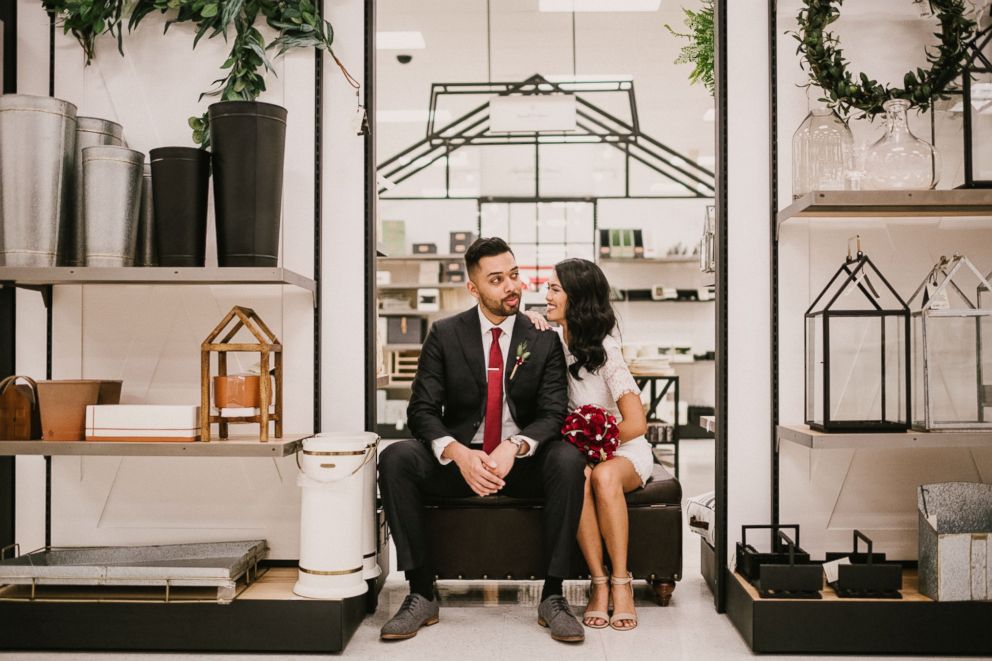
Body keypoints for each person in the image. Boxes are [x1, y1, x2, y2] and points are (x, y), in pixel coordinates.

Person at [377, 237, 588, 643]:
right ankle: (421, 592)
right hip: (461, 465)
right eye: (497, 279)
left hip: (520, 463)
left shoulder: (543, 338)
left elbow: (553, 412)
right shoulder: (444, 334)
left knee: (567, 459)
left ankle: (554, 595)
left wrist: (516, 446)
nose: (511, 286)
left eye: (513, 275)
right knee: (396, 458)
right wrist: (458, 454)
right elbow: (420, 411)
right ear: (473, 288)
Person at [526, 258, 650, 632]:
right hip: (580, 450)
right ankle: (598, 582)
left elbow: (637, 423)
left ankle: (621, 583)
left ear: (576, 298)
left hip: (623, 448)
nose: (546, 295)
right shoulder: (550, 340)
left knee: (604, 479)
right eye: (547, 287)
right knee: (576, 476)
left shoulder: (605, 350)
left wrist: (597, 439)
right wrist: (531, 318)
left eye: (555, 289)